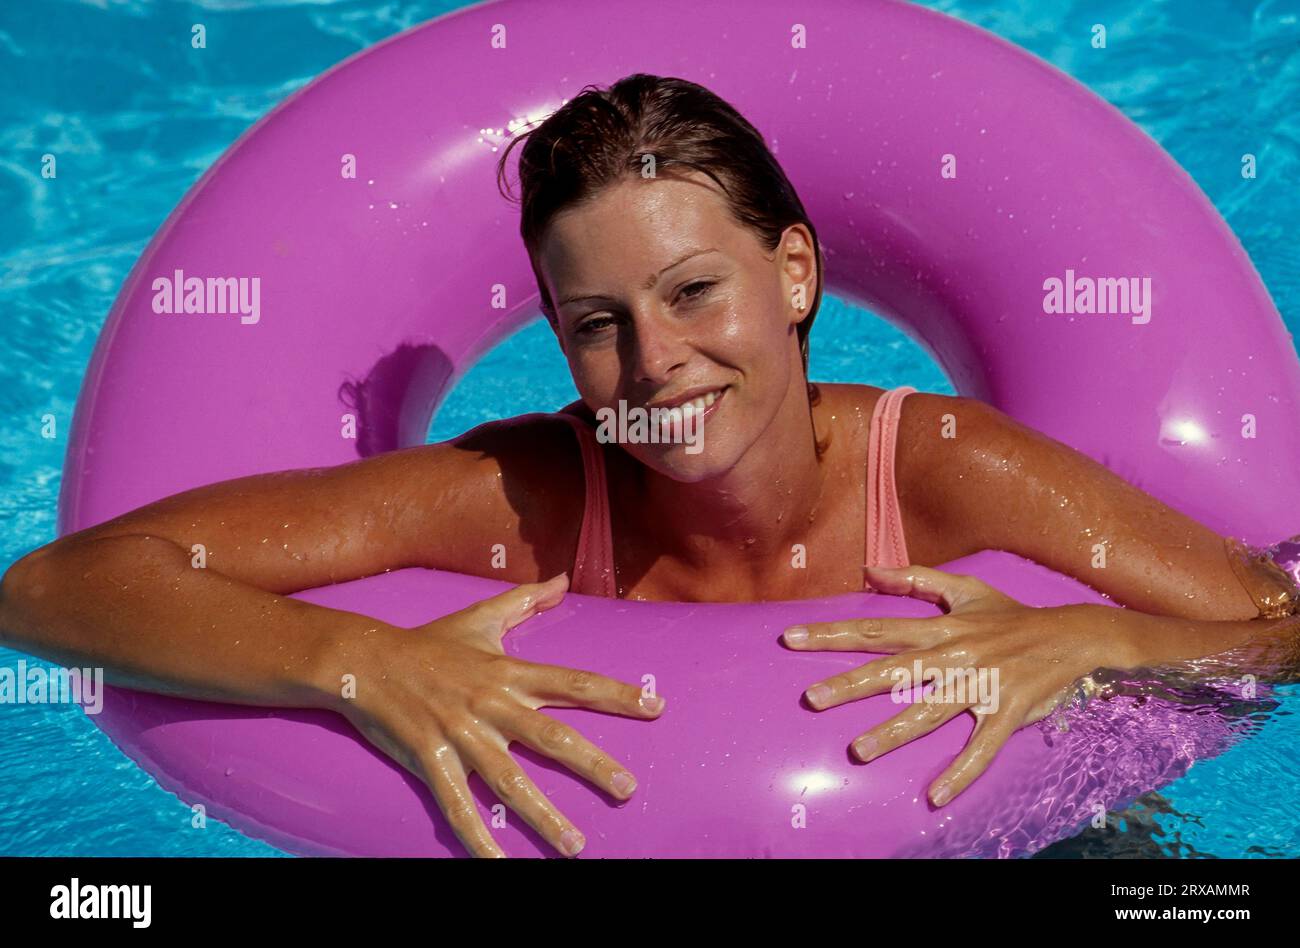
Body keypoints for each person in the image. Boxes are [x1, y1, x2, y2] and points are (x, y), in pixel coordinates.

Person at [3, 74, 1298, 858]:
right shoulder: (528, 498)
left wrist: (1095, 643)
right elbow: (52, 590)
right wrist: (361, 663)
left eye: (694, 292)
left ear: (793, 274)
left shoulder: (944, 473)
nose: (656, 362)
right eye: (597, 325)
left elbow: (1275, 626)